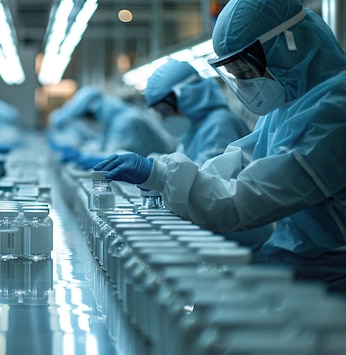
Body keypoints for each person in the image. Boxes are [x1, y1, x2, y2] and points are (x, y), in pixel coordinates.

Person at [94, 0, 346, 293]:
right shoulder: (286, 108)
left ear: (290, 44)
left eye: (246, 68)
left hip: (331, 278)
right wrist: (160, 172)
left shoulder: (334, 112)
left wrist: (162, 175)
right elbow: (237, 167)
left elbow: (242, 200)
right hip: (298, 267)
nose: (244, 81)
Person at [144, 59, 251, 166]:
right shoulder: (192, 131)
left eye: (166, 110)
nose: (166, 118)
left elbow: (209, 176)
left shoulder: (219, 123)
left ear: (187, 97)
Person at [48, 86, 177, 169]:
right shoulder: (114, 121)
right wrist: (82, 154)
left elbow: (119, 157)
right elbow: (106, 147)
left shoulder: (127, 121)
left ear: (94, 111)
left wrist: (84, 157)